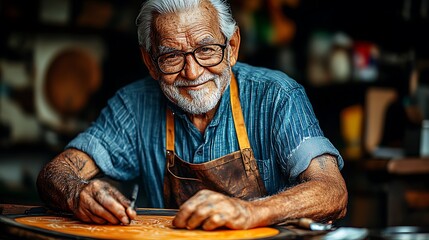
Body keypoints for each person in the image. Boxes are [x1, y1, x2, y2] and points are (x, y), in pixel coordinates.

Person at [37, 0, 347, 230]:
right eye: (171, 56)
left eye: (207, 49)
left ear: (233, 46)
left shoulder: (277, 96)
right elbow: (55, 172)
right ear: (150, 61)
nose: (193, 71)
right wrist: (76, 193)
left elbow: (333, 192)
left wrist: (251, 212)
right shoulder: (133, 105)